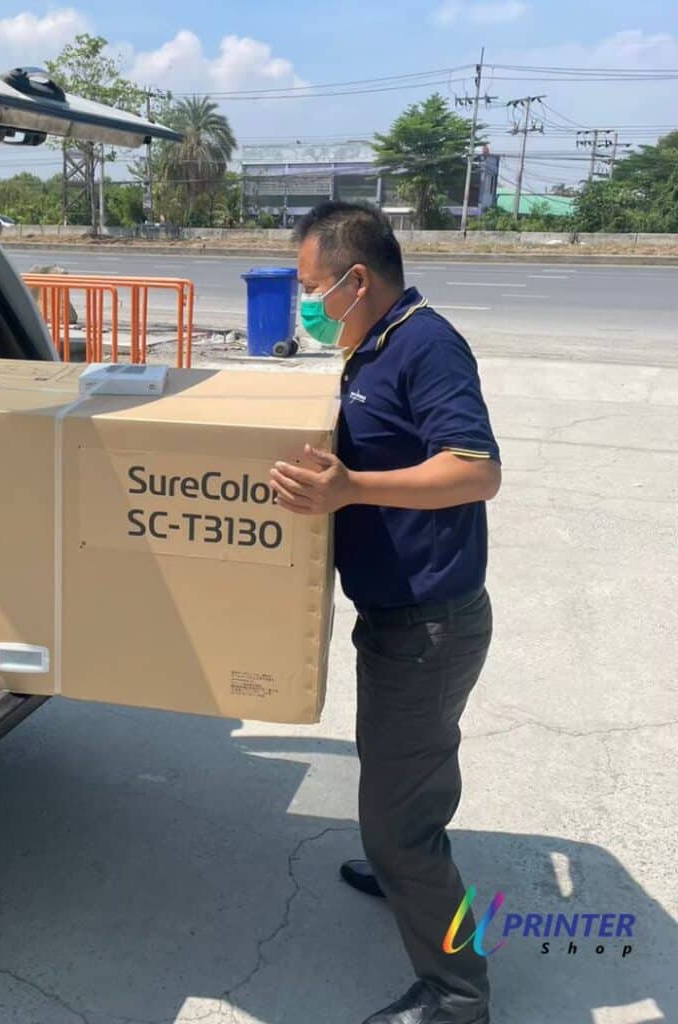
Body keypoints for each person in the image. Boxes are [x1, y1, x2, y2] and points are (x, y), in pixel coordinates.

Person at [270, 200, 501, 1024]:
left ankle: (456, 995)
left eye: (312, 287)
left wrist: (352, 487)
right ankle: (403, 865)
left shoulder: (426, 345)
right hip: (397, 618)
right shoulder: (372, 344)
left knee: (400, 821)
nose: (307, 302)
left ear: (357, 280)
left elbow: (476, 469)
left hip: (429, 625)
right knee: (399, 781)